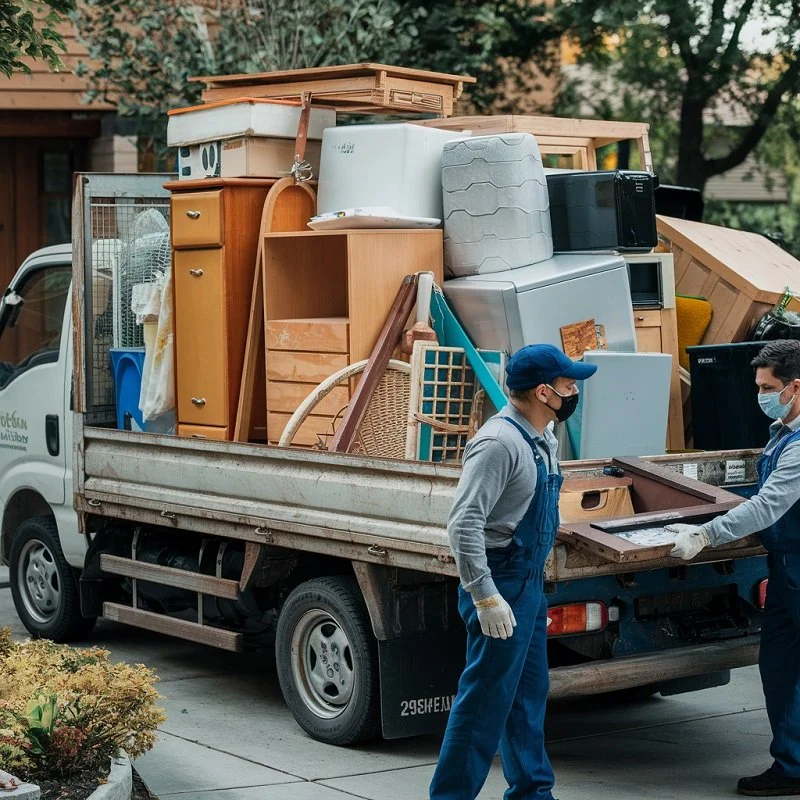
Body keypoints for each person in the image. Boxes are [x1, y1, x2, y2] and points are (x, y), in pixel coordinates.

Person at [429, 343, 597, 800]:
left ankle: (532, 792)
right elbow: (463, 523)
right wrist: (484, 596)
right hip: (500, 583)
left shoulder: (544, 438)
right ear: (544, 392)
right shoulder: (498, 443)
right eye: (568, 385)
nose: (574, 391)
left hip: (528, 584)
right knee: (484, 703)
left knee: (527, 695)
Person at [667, 339, 800, 797]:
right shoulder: (784, 431)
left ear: (795, 387)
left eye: (767, 387)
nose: (759, 395)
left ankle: (794, 768)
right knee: (779, 665)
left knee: (795, 671)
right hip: (786, 568)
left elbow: (769, 506)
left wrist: (707, 535)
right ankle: (792, 759)